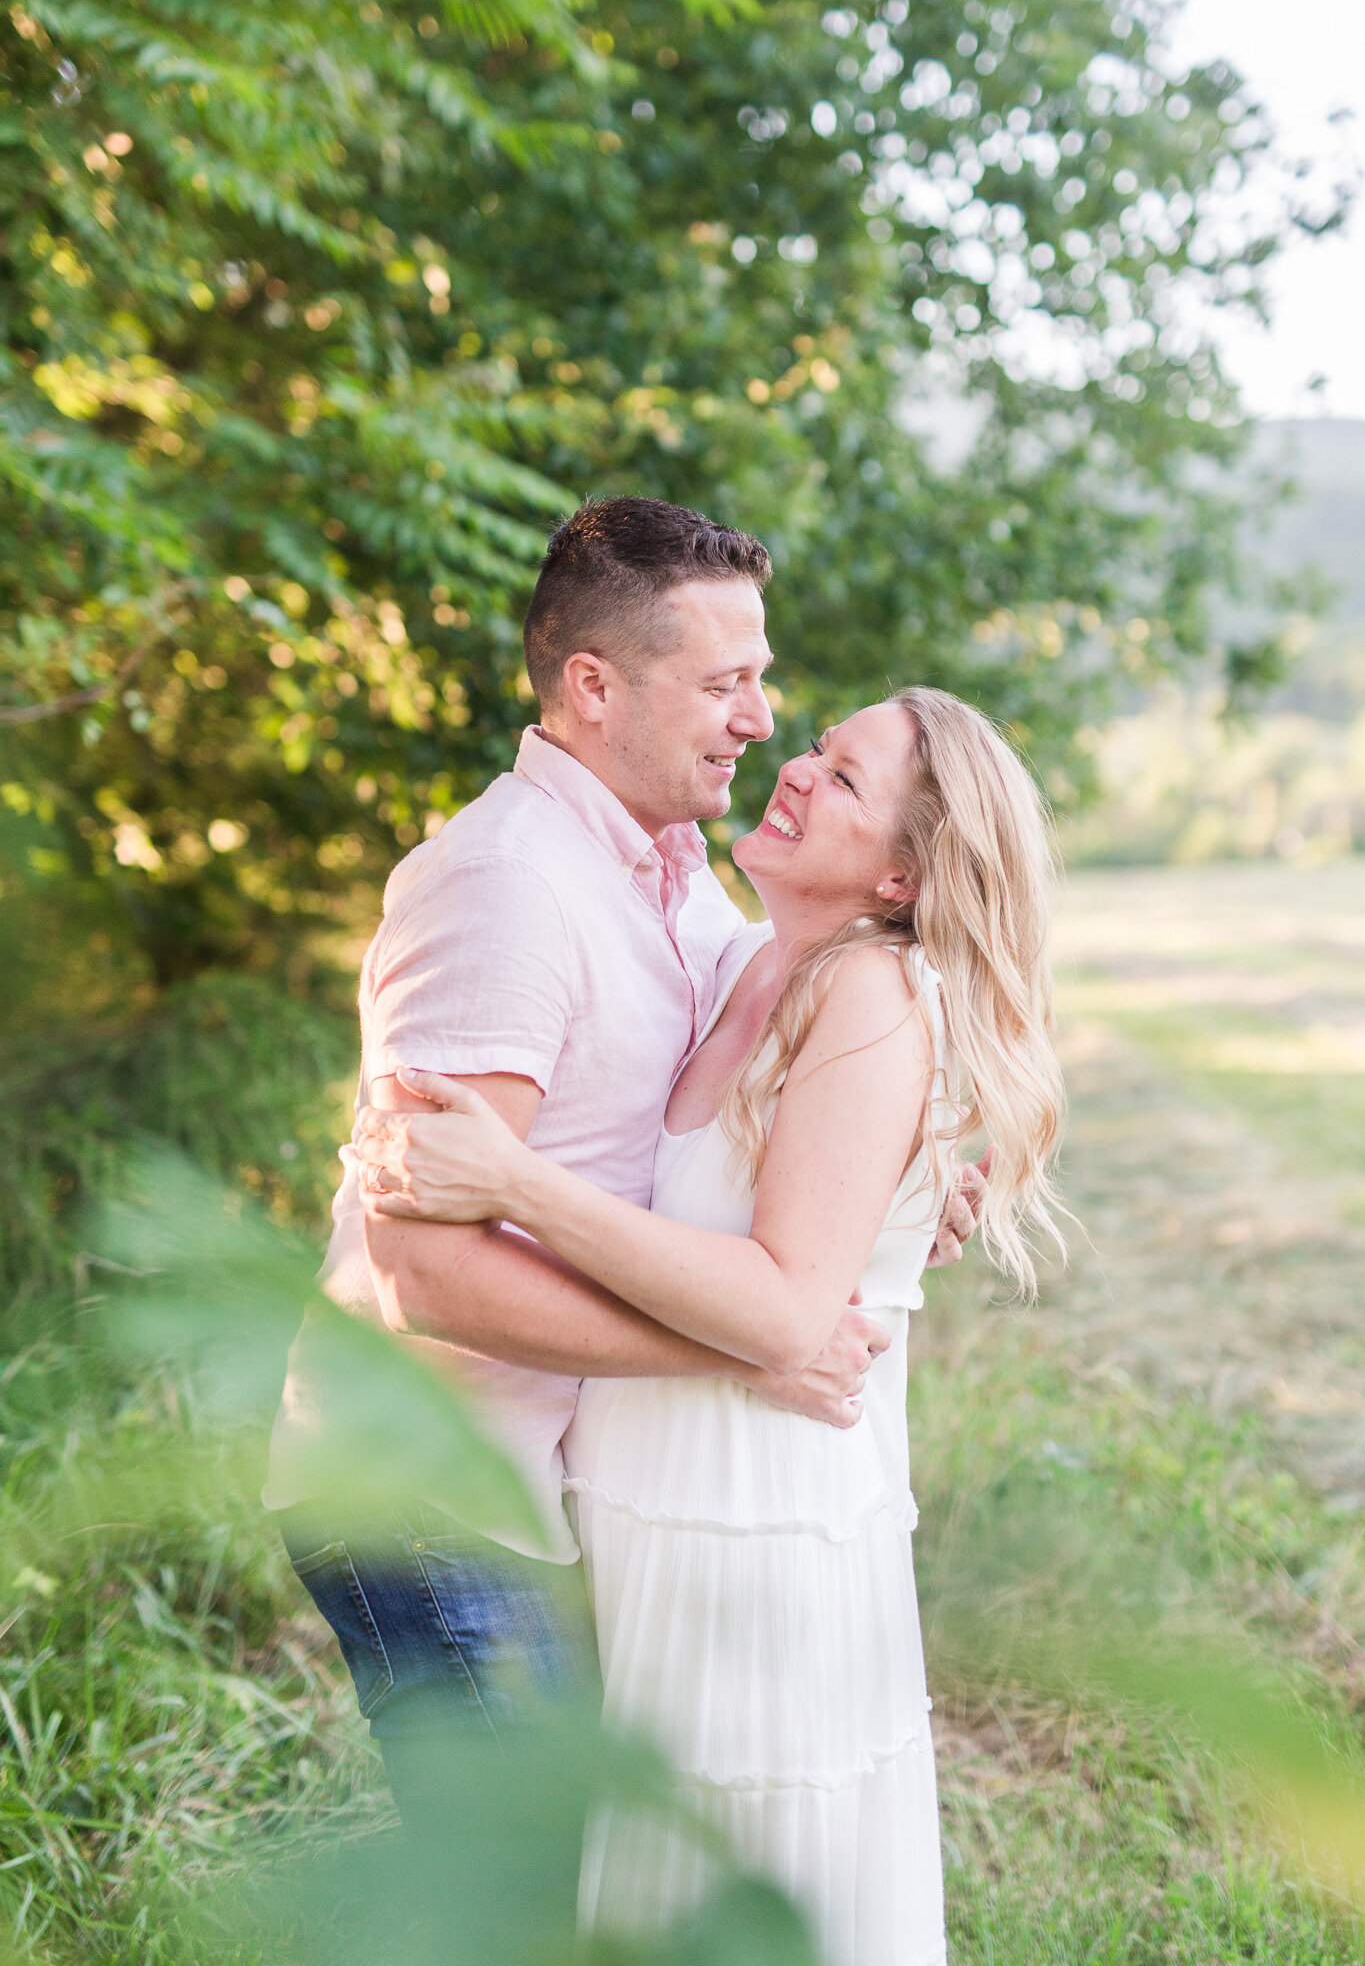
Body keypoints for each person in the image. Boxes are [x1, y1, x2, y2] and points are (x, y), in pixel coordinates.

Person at [264, 498, 981, 1811]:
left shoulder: (674, 867)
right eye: (725, 682)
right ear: (592, 688)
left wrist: (901, 1172)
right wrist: (754, 1341)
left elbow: (753, 1074)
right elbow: (428, 1275)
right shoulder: (502, 888)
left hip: (545, 1475)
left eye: (759, 679)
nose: (759, 720)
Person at [357, 685, 1065, 1966]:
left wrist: (514, 1184)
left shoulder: (873, 995)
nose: (794, 767)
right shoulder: (744, 955)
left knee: (733, 1857)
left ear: (904, 873)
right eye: (819, 749)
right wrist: (906, 1200)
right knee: (640, 1867)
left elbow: (791, 1304)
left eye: (844, 778)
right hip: (644, 1493)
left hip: (755, 1507)